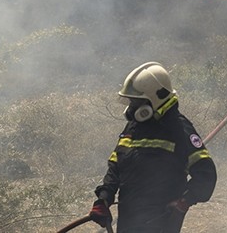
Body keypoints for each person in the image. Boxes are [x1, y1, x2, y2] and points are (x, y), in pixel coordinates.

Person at [89, 62, 217, 232]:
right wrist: (103, 199)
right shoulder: (133, 127)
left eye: (137, 102)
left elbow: (206, 175)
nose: (132, 108)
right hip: (129, 220)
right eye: (132, 102)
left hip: (162, 222)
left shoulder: (180, 129)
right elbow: (116, 165)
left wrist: (184, 202)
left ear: (155, 99)